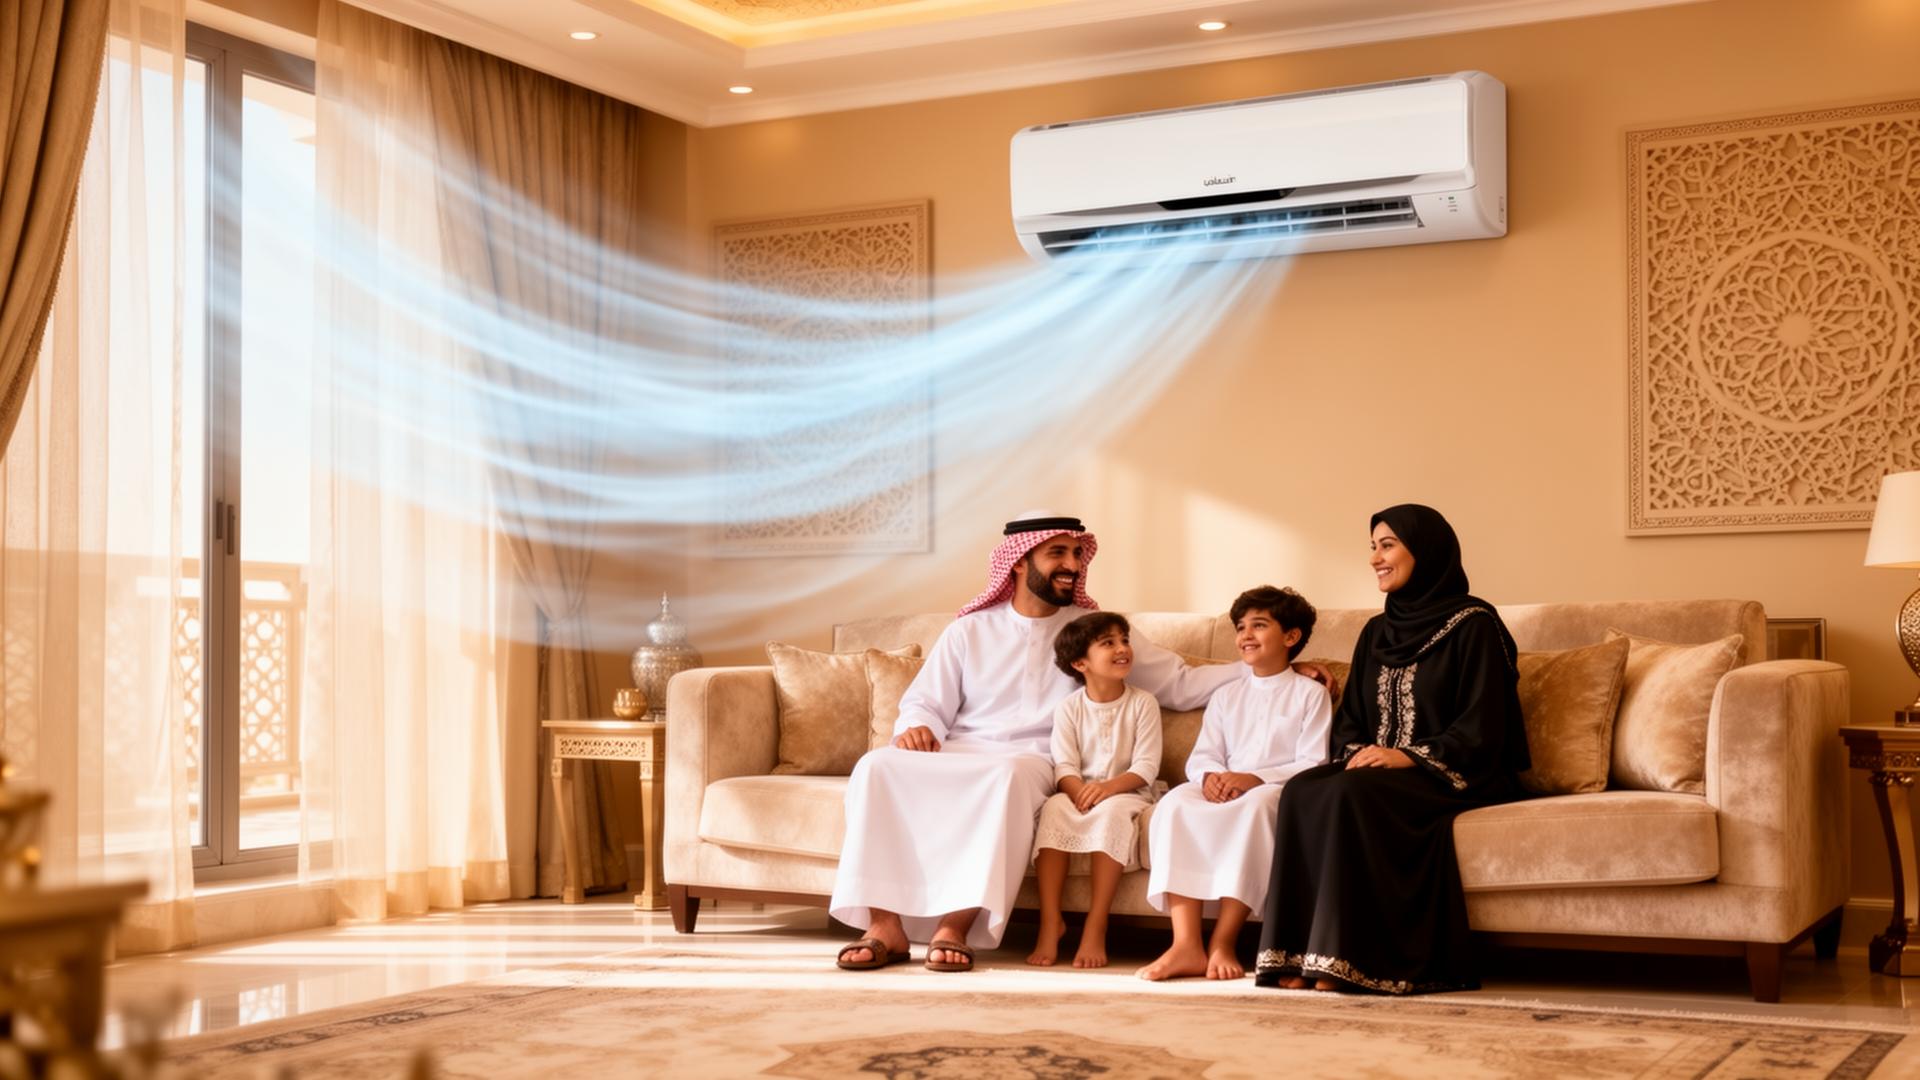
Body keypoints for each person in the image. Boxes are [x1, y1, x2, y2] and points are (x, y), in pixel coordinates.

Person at [830, 512, 1244, 972]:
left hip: (1035, 759)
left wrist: (1270, 669)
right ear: (1019, 563)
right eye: (1057, 553)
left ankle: (955, 925)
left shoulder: (1092, 629)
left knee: (1003, 777)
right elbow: (926, 702)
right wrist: (917, 724)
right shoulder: (970, 630)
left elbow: (1181, 682)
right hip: (963, 747)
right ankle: (884, 924)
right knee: (877, 766)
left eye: (1076, 553)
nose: (1072, 563)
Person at [1253, 504, 1527, 994]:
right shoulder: (1377, 631)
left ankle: (1350, 960)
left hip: (1460, 772)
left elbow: (1486, 724)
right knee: (1303, 790)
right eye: (1373, 548)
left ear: (1425, 550)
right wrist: (1361, 753)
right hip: (1383, 775)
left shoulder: (1474, 624)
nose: (1376, 558)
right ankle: (1298, 956)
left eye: (1388, 545)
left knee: (1351, 796)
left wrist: (1408, 756)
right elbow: (1352, 720)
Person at [1137, 586, 1331, 982]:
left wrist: (1254, 778)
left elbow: (1313, 761)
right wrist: (1210, 778)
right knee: (1175, 805)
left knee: (1255, 808)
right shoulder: (1227, 695)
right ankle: (1186, 943)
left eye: (1259, 626)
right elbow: (1204, 753)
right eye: (1241, 627)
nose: (1246, 635)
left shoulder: (1311, 695)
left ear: (1291, 637)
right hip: (1223, 782)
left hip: (1272, 789)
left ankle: (1224, 940)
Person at [1027, 612, 1162, 969]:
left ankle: (1096, 923)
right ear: (1080, 663)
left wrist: (1107, 789)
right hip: (1079, 793)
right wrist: (1076, 791)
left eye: (1124, 640)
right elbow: (1064, 766)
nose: (1122, 649)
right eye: (1108, 643)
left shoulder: (1143, 703)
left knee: (1111, 814)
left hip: (1128, 792)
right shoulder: (1069, 708)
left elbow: (1146, 767)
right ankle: (1050, 920)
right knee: (1054, 809)